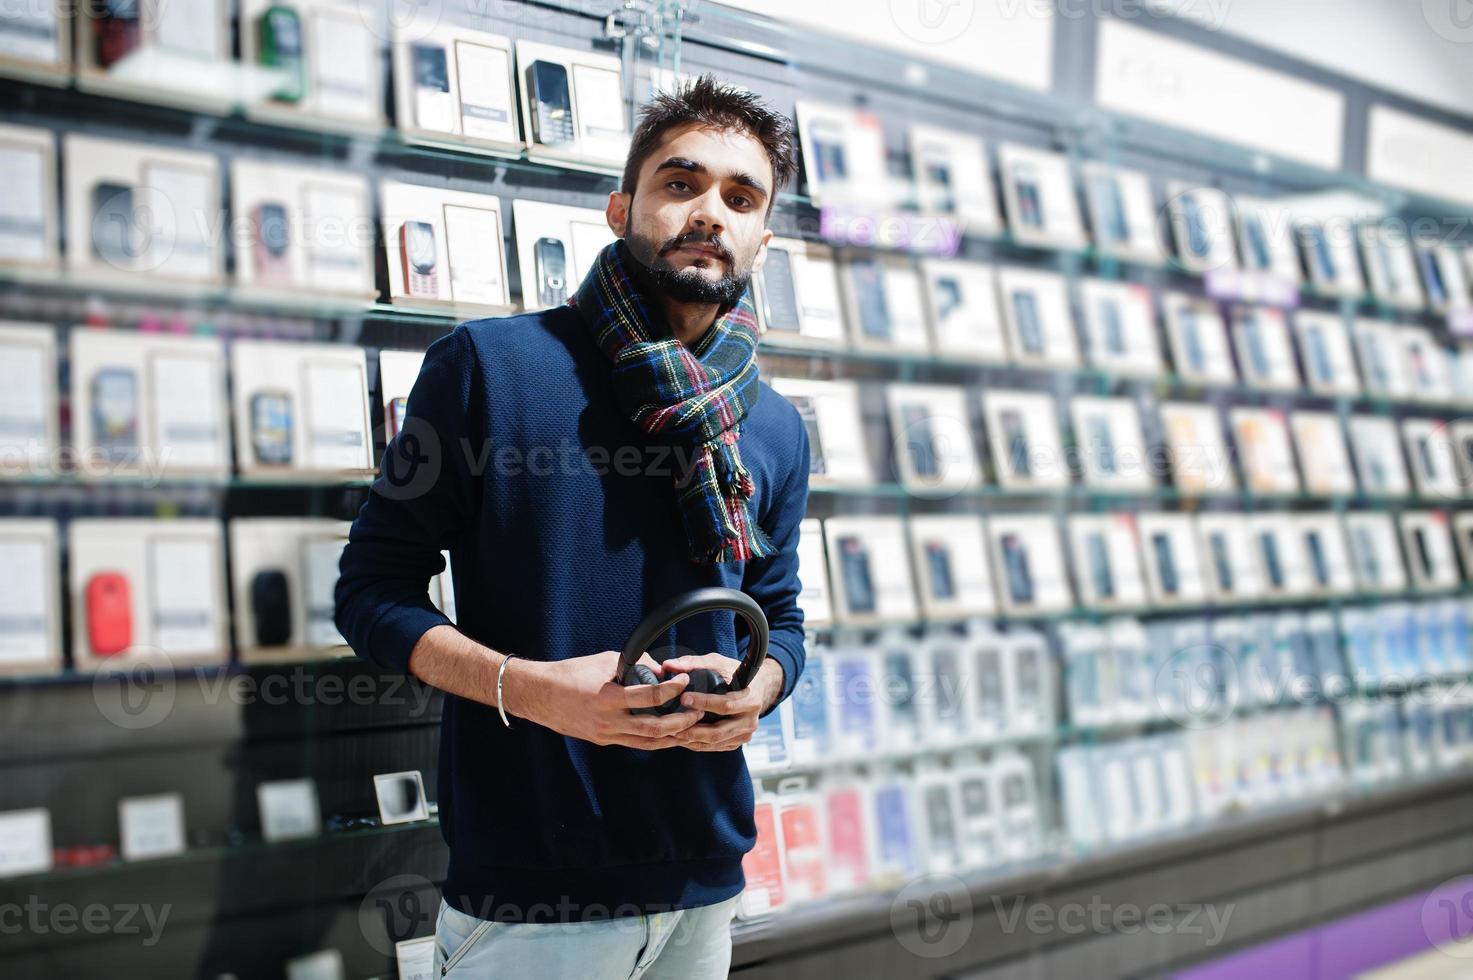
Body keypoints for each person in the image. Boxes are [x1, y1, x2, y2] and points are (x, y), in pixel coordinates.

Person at [334, 74, 810, 978]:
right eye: (682, 183)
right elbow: (370, 595)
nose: (710, 211)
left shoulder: (775, 425)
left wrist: (759, 688)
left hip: (705, 882)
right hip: (531, 894)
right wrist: (531, 688)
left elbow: (781, 617)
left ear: (762, 238)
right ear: (620, 207)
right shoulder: (488, 368)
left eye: (740, 198)